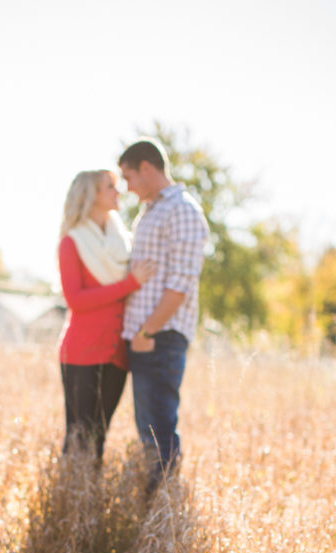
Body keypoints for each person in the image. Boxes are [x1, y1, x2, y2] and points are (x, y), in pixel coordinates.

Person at [119, 138, 209, 489]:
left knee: (157, 430)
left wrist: (147, 332)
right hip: (146, 335)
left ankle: (164, 509)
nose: (127, 187)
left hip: (160, 336)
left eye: (129, 177)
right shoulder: (152, 209)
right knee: (147, 430)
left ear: (147, 167)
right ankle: (154, 505)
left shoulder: (181, 209)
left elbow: (181, 283)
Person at [57, 169, 155, 459]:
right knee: (78, 436)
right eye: (109, 187)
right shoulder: (71, 242)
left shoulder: (123, 241)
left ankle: (89, 501)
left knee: (99, 435)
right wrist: (130, 284)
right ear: (91, 195)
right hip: (81, 352)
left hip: (116, 353)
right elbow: (75, 300)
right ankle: (70, 498)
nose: (118, 191)